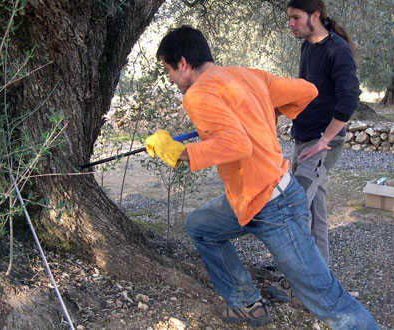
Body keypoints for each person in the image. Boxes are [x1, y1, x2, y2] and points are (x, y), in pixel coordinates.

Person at [145, 25, 378, 329]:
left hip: (275, 205)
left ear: (183, 63)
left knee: (326, 299)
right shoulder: (246, 75)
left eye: (169, 71)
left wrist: (178, 152)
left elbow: (236, 145)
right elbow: (307, 90)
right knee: (200, 226)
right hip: (249, 199)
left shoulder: (198, 94)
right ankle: (245, 304)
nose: (172, 80)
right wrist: (260, 111)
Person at [268, 0, 361, 303]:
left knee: (293, 207)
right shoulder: (308, 47)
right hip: (303, 140)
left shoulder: (337, 50)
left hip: (321, 145)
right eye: (290, 18)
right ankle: (320, 281)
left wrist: (325, 141)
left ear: (315, 16)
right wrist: (279, 108)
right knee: (313, 210)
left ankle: (300, 284)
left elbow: (349, 99)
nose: (290, 24)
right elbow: (304, 91)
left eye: (296, 18)